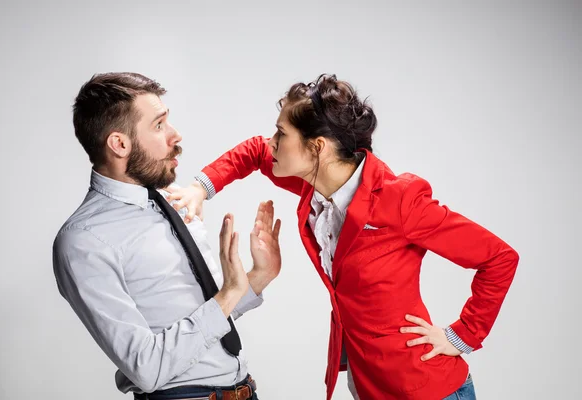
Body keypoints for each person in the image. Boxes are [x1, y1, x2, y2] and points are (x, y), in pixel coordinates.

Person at [167, 74, 519, 400]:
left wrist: (462, 336)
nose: (271, 142)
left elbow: (499, 258)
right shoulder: (313, 184)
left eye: (281, 134)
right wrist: (200, 187)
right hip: (367, 385)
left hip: (426, 388)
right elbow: (254, 152)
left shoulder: (399, 201)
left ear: (317, 147)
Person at [53, 72, 282, 400]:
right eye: (159, 125)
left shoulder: (173, 199)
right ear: (119, 144)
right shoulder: (83, 241)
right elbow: (145, 368)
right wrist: (228, 295)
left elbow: (213, 313)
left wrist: (258, 277)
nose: (175, 135)